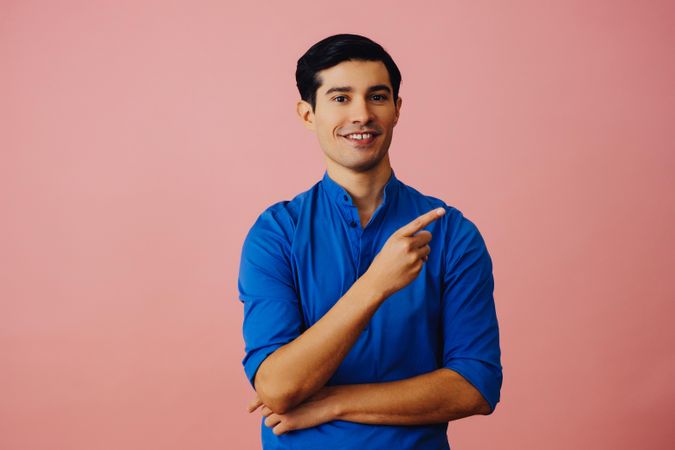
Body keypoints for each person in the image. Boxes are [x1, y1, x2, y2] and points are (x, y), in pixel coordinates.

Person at [238, 33, 502, 449]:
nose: (362, 114)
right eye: (341, 98)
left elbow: (476, 385)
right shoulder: (277, 233)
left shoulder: (452, 233)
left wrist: (333, 402)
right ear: (308, 114)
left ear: (397, 110)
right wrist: (376, 285)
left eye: (377, 97)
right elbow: (279, 388)